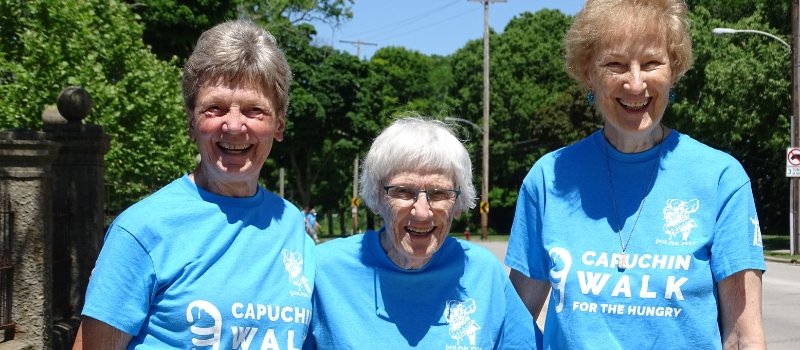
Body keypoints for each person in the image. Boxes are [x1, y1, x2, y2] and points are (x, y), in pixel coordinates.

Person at [505, 0, 766, 349]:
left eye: (651, 63)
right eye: (615, 64)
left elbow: (742, 336)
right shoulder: (549, 178)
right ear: (588, 74)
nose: (635, 83)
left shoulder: (720, 179)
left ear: (673, 69)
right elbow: (515, 324)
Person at [73, 20, 314, 349]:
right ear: (191, 124)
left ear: (279, 125)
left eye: (254, 110)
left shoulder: (292, 225)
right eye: (214, 108)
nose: (233, 126)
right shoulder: (142, 230)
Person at [304, 117, 540, 349]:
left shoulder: (483, 273)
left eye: (439, 194)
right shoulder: (324, 270)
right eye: (403, 191)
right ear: (376, 196)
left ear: (458, 203)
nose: (422, 212)